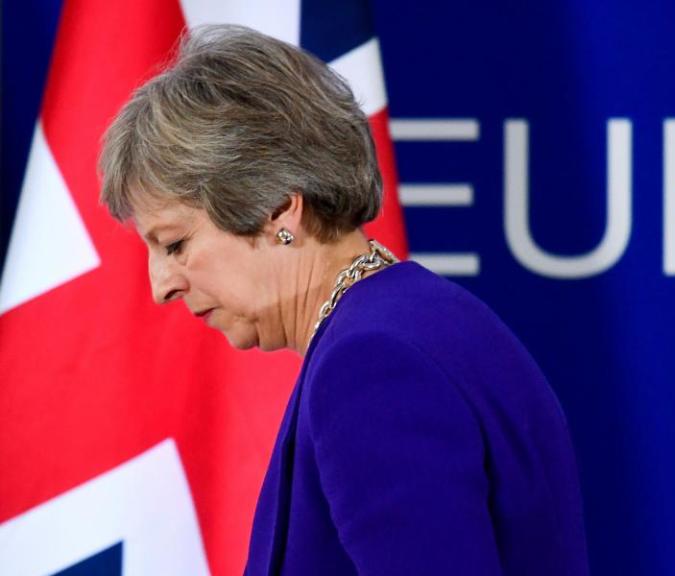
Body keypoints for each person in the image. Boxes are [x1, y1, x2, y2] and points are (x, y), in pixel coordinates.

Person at [99, 24, 589, 575]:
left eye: (175, 244)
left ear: (278, 210)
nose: (161, 286)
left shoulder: (372, 366)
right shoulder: (421, 320)